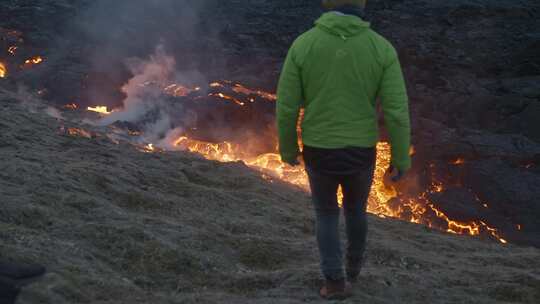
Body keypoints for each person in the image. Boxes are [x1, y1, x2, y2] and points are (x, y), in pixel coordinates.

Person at [276, 0, 411, 299]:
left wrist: (287, 149)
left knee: (325, 213)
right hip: (361, 149)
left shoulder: (304, 45)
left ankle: (335, 282)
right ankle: (353, 271)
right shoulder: (381, 48)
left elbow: (286, 107)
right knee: (355, 211)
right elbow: (396, 111)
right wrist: (401, 156)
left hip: (319, 148)